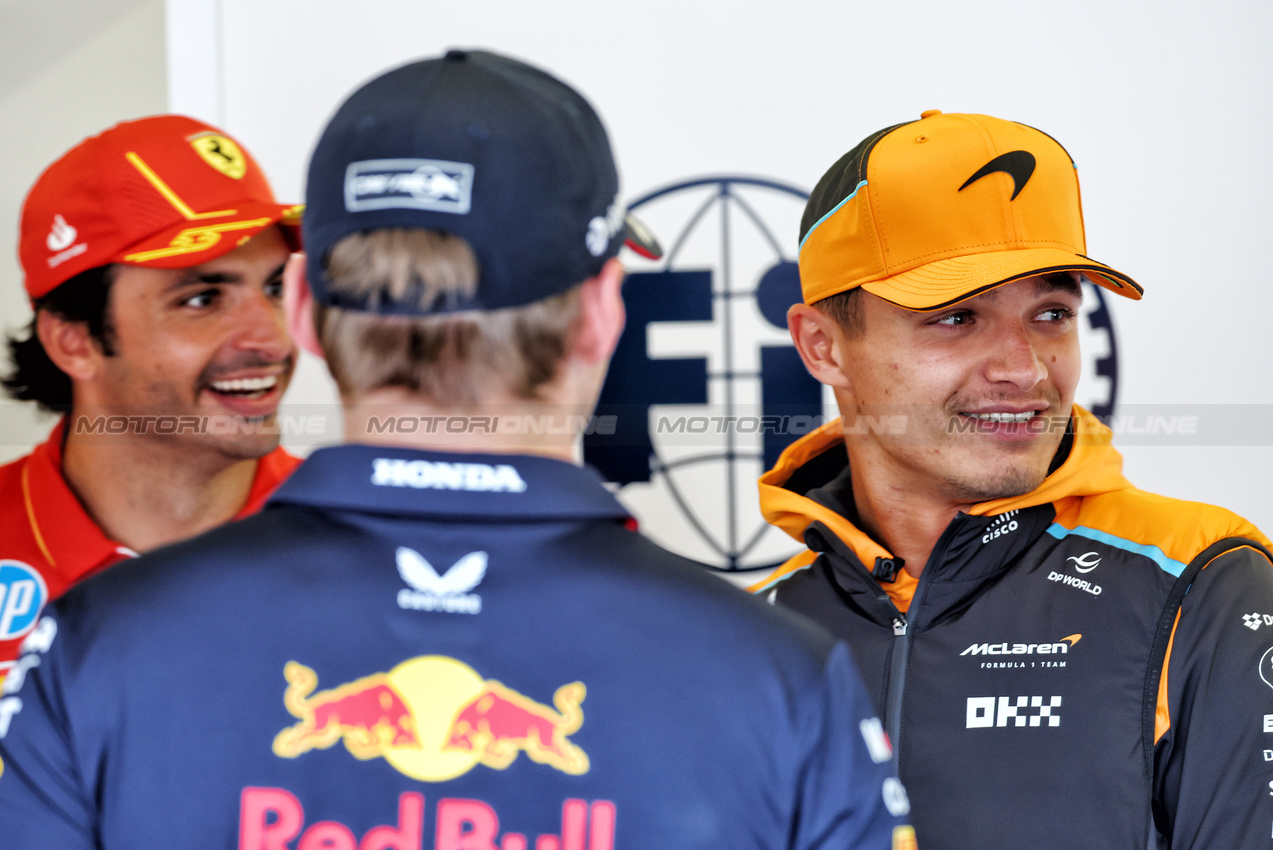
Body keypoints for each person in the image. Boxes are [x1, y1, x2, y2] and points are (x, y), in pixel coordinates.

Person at [0, 51, 914, 850]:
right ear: (603, 310)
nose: (256, 331)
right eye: (201, 296)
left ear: (306, 309)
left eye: (267, 289)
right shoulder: (779, 677)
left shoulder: (94, 646)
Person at [752, 109, 1273, 849]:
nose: (1025, 369)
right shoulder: (749, 631)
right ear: (821, 345)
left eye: (1051, 312)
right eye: (956, 317)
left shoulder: (1197, 583)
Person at [0, 115, 303, 682]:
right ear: (74, 341)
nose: (273, 340)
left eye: (274, 288)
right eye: (203, 299)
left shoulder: (370, 541)